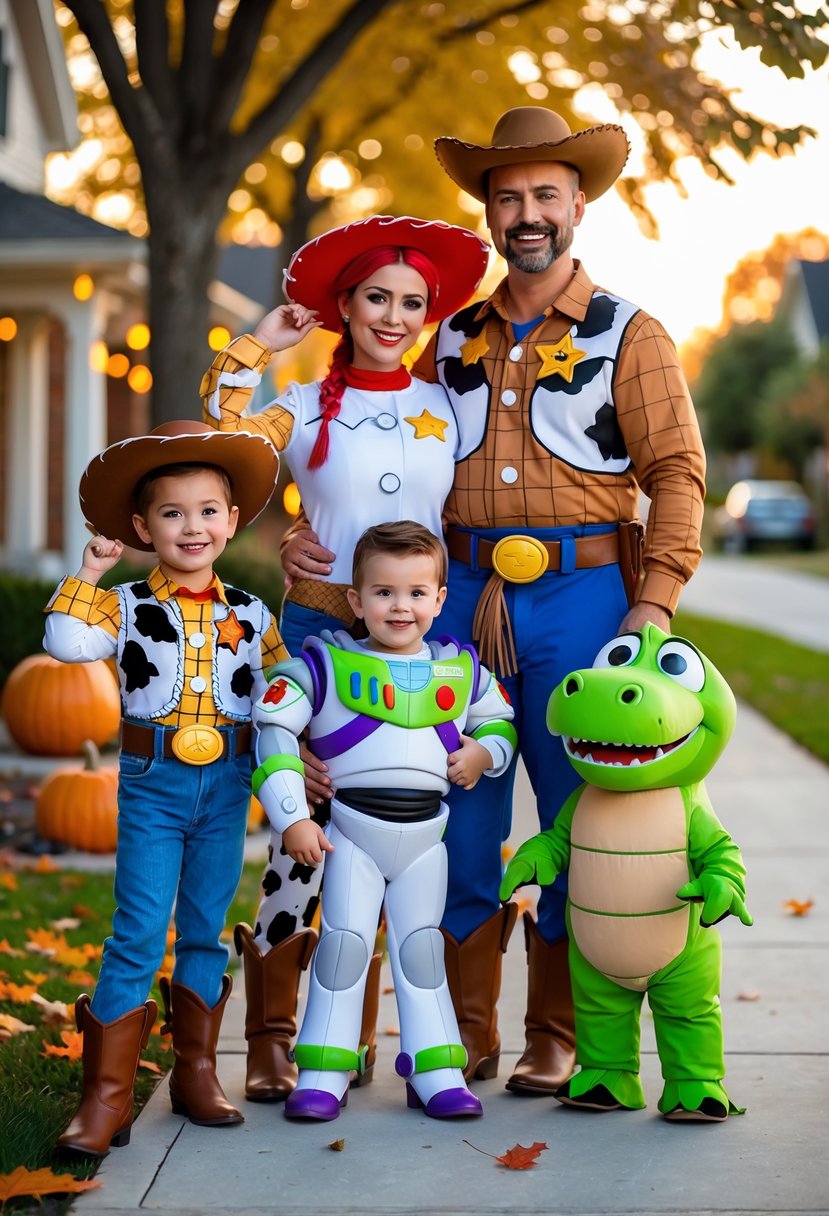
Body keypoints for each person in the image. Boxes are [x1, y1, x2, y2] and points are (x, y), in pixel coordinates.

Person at [282, 106, 707, 1095]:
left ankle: (553, 1031)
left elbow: (678, 472)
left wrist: (653, 604)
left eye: (544, 195)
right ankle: (463, 1028)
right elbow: (369, 444)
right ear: (487, 210)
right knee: (454, 807)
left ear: (578, 205)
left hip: (586, 590)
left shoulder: (627, 335)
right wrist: (293, 531)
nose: (526, 213)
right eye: (507, 197)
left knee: (571, 812)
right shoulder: (450, 336)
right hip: (456, 593)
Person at [199, 215, 489, 1101]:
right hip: (322, 632)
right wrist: (259, 338)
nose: (393, 317)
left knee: (402, 834)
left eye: (411, 302)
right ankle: (273, 1039)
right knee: (308, 840)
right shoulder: (304, 409)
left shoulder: (446, 402)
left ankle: (372, 1039)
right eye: (375, 299)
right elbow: (221, 430)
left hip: (412, 639)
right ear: (346, 306)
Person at [44, 421, 285, 1156]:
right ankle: (107, 1097)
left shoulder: (252, 610)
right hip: (154, 782)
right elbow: (64, 644)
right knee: (141, 930)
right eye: (172, 513)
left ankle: (196, 1072)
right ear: (143, 527)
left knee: (205, 929)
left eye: (208, 510)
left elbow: (280, 687)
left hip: (228, 782)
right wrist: (88, 574)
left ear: (232, 521)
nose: (193, 526)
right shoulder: (124, 605)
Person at [253, 521, 516, 1121]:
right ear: (356, 599)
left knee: (422, 953)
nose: (402, 606)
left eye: (418, 593)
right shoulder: (323, 664)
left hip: (426, 840)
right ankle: (323, 1069)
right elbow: (272, 730)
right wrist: (294, 817)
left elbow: (500, 721)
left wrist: (483, 752)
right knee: (343, 949)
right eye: (384, 593)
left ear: (441, 600)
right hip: (351, 837)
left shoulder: (462, 670)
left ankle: (437, 1070)